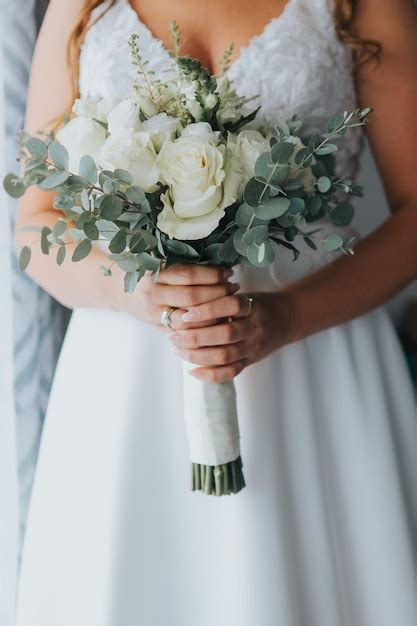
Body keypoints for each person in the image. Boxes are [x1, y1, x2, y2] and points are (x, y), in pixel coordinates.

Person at [15, 1, 417, 624]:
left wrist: (286, 318)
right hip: (125, 379)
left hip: (313, 363)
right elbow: (34, 223)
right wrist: (131, 290)